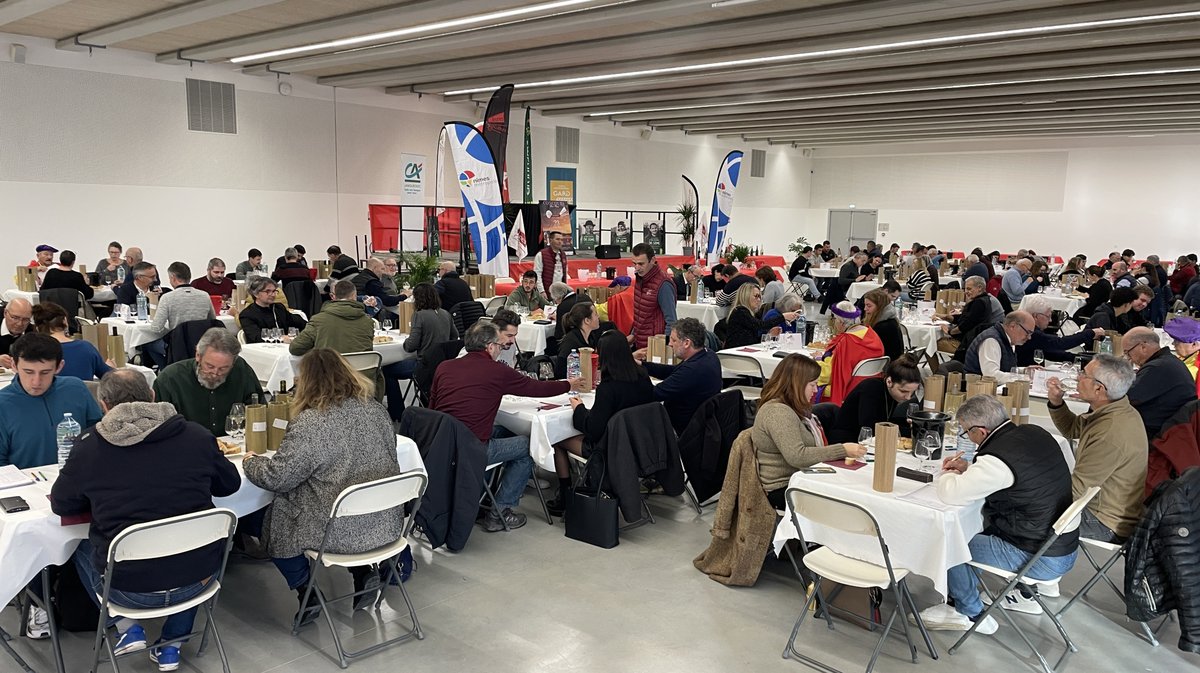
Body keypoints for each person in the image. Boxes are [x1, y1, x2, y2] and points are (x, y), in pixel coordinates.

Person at [51, 369, 240, 670]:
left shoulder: (89, 447)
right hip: (200, 580)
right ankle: (172, 645)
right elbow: (229, 485)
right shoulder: (197, 436)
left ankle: (127, 626)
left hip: (127, 591)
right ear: (152, 396)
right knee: (190, 545)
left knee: (80, 544)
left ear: (104, 405)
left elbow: (62, 504)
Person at [243, 349, 404, 623]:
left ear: (305, 383)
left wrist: (250, 462)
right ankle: (363, 571)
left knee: (275, 516)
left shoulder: (311, 424)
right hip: (385, 523)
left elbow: (277, 478)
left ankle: (307, 591)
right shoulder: (376, 410)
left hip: (335, 531)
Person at [917, 396, 1077, 632]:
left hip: (1040, 557)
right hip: (1061, 544)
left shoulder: (996, 458)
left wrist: (949, 472)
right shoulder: (1035, 432)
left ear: (981, 431)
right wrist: (971, 470)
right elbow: (1018, 476)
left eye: (965, 432)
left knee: (950, 541)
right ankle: (964, 593)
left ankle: (967, 612)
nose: (967, 438)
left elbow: (952, 494)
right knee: (974, 526)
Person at [431, 322, 581, 532]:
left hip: (442, 442)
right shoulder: (496, 370)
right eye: (501, 346)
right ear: (490, 347)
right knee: (531, 445)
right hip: (471, 448)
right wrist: (568, 385)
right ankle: (500, 512)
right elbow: (535, 388)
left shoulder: (444, 367)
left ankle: (480, 496)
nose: (501, 350)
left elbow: (432, 407)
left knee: (508, 431)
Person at [548, 330, 656, 515]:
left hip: (610, 448)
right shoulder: (642, 376)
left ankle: (565, 495)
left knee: (557, 439)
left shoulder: (609, 387)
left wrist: (579, 408)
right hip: (639, 443)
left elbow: (593, 430)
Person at [1046, 355, 1147, 543]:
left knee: (1020, 511)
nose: (1078, 377)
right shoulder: (1116, 409)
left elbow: (1076, 492)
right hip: (1109, 508)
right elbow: (1072, 429)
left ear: (1099, 388)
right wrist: (1056, 403)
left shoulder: (1110, 432)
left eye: (1084, 374)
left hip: (1104, 521)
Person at [755, 353, 866, 508]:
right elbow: (798, 456)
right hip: (784, 487)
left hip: (801, 477)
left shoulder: (792, 407)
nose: (815, 390)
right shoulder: (778, 412)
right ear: (796, 384)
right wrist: (842, 450)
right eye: (812, 384)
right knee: (852, 501)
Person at [0, 334, 102, 468]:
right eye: (28, 372)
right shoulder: (3, 403)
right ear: (14, 365)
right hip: (25, 485)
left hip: (79, 477)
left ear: (59, 366)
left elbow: (98, 435)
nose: (36, 382)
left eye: (45, 372)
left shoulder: (76, 389)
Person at [153, 328, 264, 436]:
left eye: (223, 369)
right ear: (198, 356)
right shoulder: (170, 379)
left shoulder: (241, 370)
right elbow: (157, 427)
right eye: (210, 366)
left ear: (233, 363)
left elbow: (260, 410)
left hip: (236, 446)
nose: (215, 373)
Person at [633, 317, 722, 434]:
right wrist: (642, 365)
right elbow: (674, 371)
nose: (669, 344)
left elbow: (654, 394)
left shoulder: (692, 370)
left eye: (673, 340)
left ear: (686, 343)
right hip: (702, 422)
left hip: (681, 429)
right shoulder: (709, 355)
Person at [385, 283, 457, 420]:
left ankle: (397, 412)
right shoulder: (445, 313)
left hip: (424, 365)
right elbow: (454, 337)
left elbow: (411, 346)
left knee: (387, 370)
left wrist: (406, 342)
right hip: (443, 365)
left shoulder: (419, 315)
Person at [829, 354, 923, 443]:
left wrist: (912, 426)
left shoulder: (891, 392)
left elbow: (886, 421)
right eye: (903, 391)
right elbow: (871, 429)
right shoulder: (871, 389)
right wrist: (909, 431)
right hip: (847, 443)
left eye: (912, 392)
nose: (908, 397)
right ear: (889, 382)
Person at [1123, 326, 1198, 438]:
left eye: (1128, 352)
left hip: (1158, 435)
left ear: (1143, 347)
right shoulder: (1167, 361)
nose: (1128, 358)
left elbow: (1125, 398)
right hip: (1171, 429)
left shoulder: (1157, 367)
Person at [143, 262, 217, 369]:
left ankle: (166, 370)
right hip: (202, 342)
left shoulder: (168, 298)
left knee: (148, 344)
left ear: (173, 278)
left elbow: (156, 328)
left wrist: (172, 331)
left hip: (177, 344)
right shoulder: (204, 295)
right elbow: (212, 321)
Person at [815, 301, 884, 405]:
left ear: (841, 323)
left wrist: (815, 363)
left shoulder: (846, 342)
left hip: (847, 389)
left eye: (834, 319)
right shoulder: (871, 334)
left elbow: (830, 374)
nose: (833, 322)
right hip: (871, 387)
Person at [32, 302, 113, 380]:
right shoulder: (86, 347)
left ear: (37, 328)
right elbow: (110, 377)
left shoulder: (33, 352)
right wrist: (111, 367)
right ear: (65, 321)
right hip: (82, 393)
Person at [1016, 295, 1103, 366]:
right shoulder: (1031, 333)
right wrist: (1090, 333)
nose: (1050, 320)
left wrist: (1080, 358)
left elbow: (1049, 353)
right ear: (1036, 316)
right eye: (1048, 316)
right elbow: (1060, 343)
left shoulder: (1033, 331)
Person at [963, 311, 1036, 382]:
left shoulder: (1008, 339)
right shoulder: (991, 340)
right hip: (977, 391)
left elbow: (1005, 369)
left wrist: (1024, 371)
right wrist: (1024, 378)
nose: (1029, 337)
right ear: (1012, 326)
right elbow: (991, 375)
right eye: (1028, 332)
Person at [628, 243, 677, 349]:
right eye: (634, 264)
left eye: (641, 264)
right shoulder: (640, 279)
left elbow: (671, 321)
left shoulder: (663, 285)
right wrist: (633, 334)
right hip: (640, 344)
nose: (637, 268)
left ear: (653, 260)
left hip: (656, 347)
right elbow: (641, 314)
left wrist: (664, 347)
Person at [937, 276, 1001, 353]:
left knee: (931, 344)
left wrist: (949, 331)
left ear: (979, 288)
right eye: (965, 289)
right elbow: (966, 318)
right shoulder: (985, 300)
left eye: (969, 289)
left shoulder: (979, 303)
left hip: (967, 344)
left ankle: (942, 365)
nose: (966, 292)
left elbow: (964, 326)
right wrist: (946, 317)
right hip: (974, 340)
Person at [722, 283, 797, 349]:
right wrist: (783, 317)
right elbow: (760, 325)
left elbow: (751, 339)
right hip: (734, 353)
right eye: (756, 296)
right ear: (746, 296)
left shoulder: (748, 313)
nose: (759, 300)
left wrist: (769, 335)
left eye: (760, 297)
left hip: (742, 350)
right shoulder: (740, 311)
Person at [237, 276, 307, 344]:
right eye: (268, 291)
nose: (273, 295)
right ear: (256, 294)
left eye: (274, 291)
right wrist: (281, 338)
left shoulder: (279, 308)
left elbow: (299, 323)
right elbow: (256, 337)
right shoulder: (247, 315)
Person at [554, 302, 600, 378]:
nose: (598, 316)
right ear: (587, 320)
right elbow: (560, 371)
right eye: (595, 314)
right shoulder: (571, 342)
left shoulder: (591, 337)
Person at [862, 288, 903, 361]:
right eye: (865, 305)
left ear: (879, 307)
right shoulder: (891, 320)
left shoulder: (882, 327)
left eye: (869, 306)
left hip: (886, 367)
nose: (865, 309)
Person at [0, 297, 34, 367]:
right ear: (5, 313)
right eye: (15, 318)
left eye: (25, 319)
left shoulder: (33, 333)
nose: (19, 324)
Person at [1164, 316, 1200, 381]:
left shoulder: (1193, 370)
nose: (1173, 344)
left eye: (1177, 342)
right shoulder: (1190, 358)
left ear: (1194, 344)